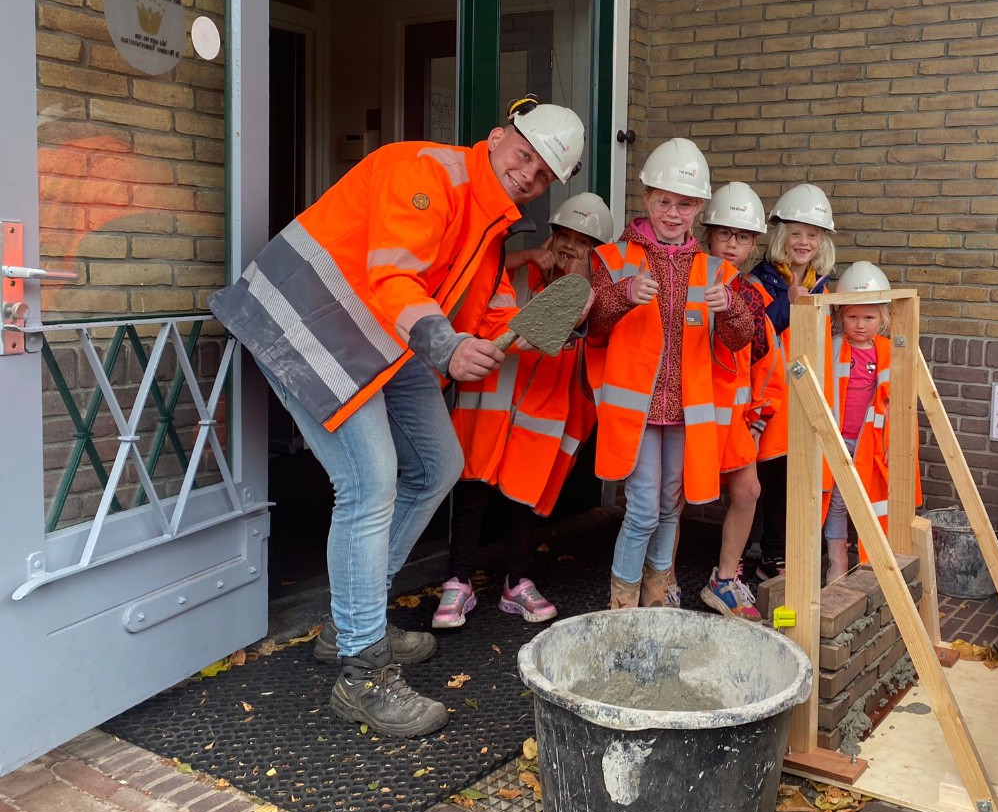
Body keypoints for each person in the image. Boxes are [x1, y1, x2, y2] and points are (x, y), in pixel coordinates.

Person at [208, 100, 586, 737]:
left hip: (380, 334)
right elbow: (393, 277)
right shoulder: (427, 172)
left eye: (544, 173)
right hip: (308, 319)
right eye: (525, 156)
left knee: (439, 465)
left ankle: (353, 622)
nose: (529, 174)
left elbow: (487, 312)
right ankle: (362, 671)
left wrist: (543, 325)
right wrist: (445, 347)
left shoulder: (494, 228)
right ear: (497, 139)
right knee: (370, 481)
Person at [586, 138, 754, 609]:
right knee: (642, 510)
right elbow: (593, 331)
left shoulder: (716, 270)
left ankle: (656, 597)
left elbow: (741, 342)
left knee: (668, 509)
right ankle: (621, 603)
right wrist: (622, 296)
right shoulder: (614, 258)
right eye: (664, 201)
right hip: (635, 412)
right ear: (646, 199)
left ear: (699, 207)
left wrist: (733, 308)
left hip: (685, 412)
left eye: (684, 203)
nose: (674, 212)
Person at [435, 191, 613, 628]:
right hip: (487, 410)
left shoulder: (590, 301)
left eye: (583, 242)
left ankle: (519, 582)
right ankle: (457, 582)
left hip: (539, 417)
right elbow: (485, 309)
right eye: (564, 235)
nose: (570, 247)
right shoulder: (515, 277)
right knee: (472, 495)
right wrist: (520, 258)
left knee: (522, 500)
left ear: (597, 255)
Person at [682, 182, 785, 619]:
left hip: (731, 417)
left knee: (748, 491)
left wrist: (758, 415)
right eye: (725, 234)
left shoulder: (755, 296)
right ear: (709, 235)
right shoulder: (686, 278)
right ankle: (663, 579)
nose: (732, 244)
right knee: (674, 498)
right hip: (686, 413)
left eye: (743, 237)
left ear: (753, 244)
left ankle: (724, 580)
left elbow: (765, 363)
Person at [748, 183, 837, 581]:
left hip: (803, 393)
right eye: (796, 233)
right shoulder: (762, 280)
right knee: (763, 477)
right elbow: (764, 332)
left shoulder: (822, 284)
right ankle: (760, 554)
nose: (804, 242)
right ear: (782, 235)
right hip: (767, 396)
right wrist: (791, 299)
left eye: (812, 234)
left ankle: (776, 551)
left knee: (790, 475)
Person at [821, 261, 923, 582]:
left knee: (868, 502)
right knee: (837, 502)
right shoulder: (833, 348)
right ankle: (836, 561)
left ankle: (872, 561)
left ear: (883, 318)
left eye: (869, 317)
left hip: (872, 444)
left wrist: (896, 442)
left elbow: (899, 404)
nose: (861, 324)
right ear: (840, 317)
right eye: (852, 316)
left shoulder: (891, 353)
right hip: (837, 440)